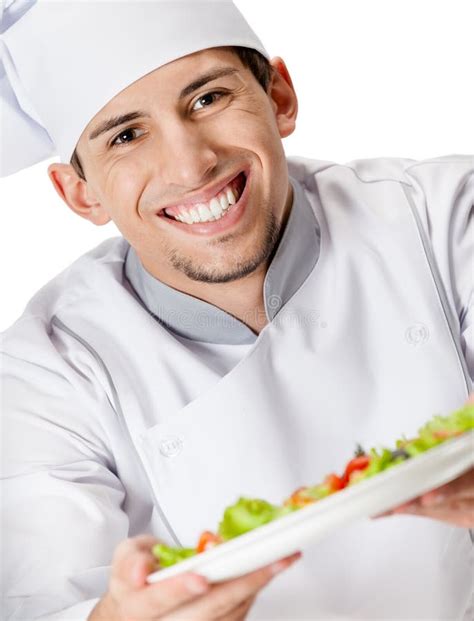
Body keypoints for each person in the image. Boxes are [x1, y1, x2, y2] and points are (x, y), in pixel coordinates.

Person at [1, 1, 473, 619]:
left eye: (207, 99)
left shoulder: (444, 219)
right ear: (79, 192)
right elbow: (41, 603)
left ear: (280, 96)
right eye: (126, 135)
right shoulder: (47, 374)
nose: (191, 164)